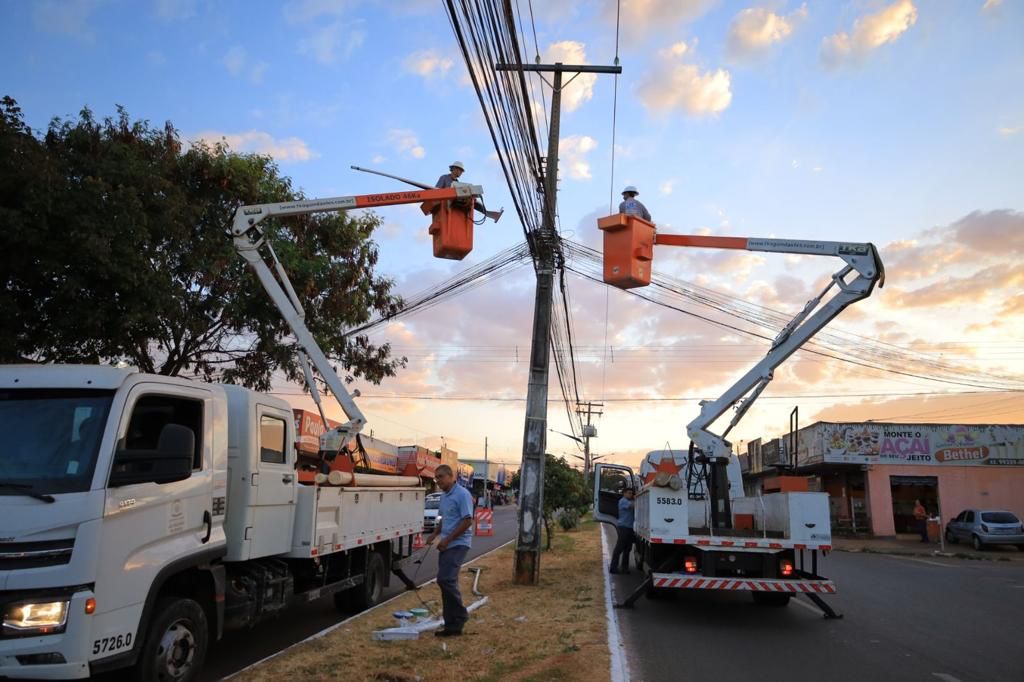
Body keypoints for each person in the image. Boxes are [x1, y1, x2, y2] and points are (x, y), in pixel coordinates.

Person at [425, 465, 474, 636]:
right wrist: (434, 534)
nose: (437, 480)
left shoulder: (462, 494)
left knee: (446, 580)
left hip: (458, 544)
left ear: (450, 476)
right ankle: (451, 625)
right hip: (446, 544)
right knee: (445, 582)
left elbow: (468, 521)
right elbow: (444, 520)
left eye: (440, 477)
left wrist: (447, 540)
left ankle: (459, 616)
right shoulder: (444, 497)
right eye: (436, 477)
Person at [436, 161, 503, 222]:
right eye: (460, 170)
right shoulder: (444, 178)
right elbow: (436, 191)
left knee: (473, 201)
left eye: (461, 171)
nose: (460, 172)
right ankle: (492, 214)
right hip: (445, 204)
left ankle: (491, 214)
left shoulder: (457, 183)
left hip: (455, 204)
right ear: (454, 169)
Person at [610, 483, 636, 574]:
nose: (630, 494)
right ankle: (613, 568)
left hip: (629, 528)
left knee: (627, 549)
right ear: (624, 493)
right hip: (623, 527)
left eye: (631, 493)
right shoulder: (623, 501)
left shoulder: (629, 500)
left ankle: (625, 568)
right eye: (629, 493)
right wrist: (637, 498)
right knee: (619, 548)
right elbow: (633, 506)